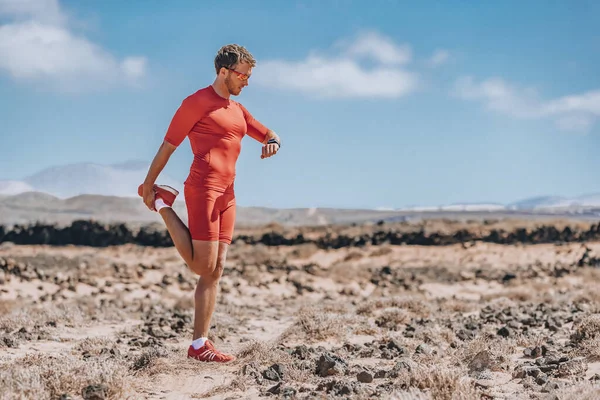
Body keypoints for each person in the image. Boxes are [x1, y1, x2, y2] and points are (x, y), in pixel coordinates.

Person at [138, 44, 281, 363]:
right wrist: (149, 185)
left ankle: (199, 344)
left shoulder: (238, 111)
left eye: (249, 77)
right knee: (201, 265)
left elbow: (269, 133)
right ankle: (163, 203)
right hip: (202, 188)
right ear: (224, 72)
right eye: (243, 75)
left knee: (214, 271)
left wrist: (273, 142)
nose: (246, 82)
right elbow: (168, 145)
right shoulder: (196, 102)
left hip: (228, 195)